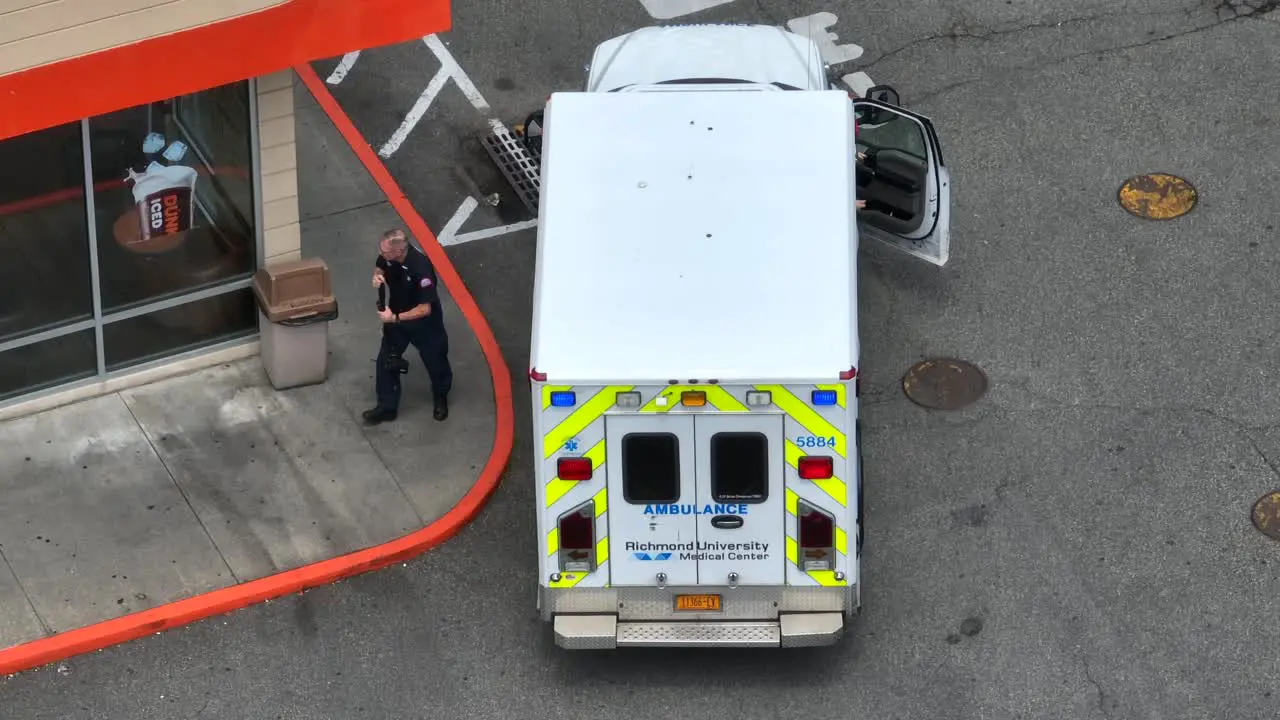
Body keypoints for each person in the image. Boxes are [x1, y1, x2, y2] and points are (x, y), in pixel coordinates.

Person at [362, 228, 452, 425]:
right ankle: (387, 407)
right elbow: (380, 265)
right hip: (397, 321)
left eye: (385, 251)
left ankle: (441, 397)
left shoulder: (420, 268)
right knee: (386, 361)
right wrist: (378, 276)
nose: (381, 253)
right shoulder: (388, 257)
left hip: (424, 325)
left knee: (436, 363)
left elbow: (425, 308)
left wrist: (394, 318)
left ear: (398, 251)